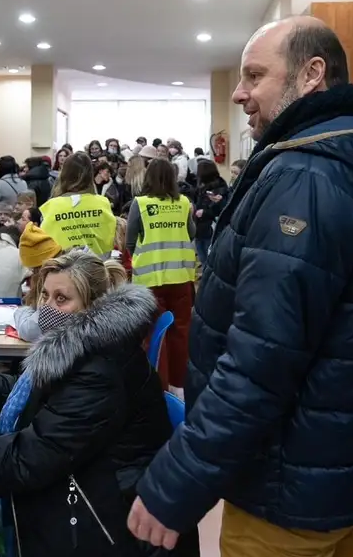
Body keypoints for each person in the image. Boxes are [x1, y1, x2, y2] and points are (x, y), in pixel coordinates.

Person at [129, 16, 353, 557]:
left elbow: (259, 362)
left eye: (255, 75)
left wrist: (177, 481)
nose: (239, 93)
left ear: (311, 74)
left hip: (290, 489)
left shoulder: (305, 178)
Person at [0, 252, 201, 557]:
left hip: (108, 541)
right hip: (94, 507)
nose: (47, 308)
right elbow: (33, 391)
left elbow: (26, 460)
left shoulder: (99, 372)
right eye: (45, 296)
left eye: (61, 299)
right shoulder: (90, 349)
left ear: (93, 306)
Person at [126, 159, 196, 389]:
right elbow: (191, 233)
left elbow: (129, 242)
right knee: (181, 332)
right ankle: (179, 387)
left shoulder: (140, 203)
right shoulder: (183, 203)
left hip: (150, 280)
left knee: (155, 334)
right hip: (181, 278)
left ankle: (158, 387)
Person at [41, 152, 117, 257]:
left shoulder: (50, 207)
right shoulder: (103, 204)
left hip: (62, 265)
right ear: (90, 175)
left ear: (64, 174)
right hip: (98, 265)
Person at [12, 224, 64, 342]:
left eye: (32, 270)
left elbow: (29, 330)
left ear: (40, 269)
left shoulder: (59, 282)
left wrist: (21, 311)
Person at [192, 159, 229, 264]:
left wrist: (205, 212)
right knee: (202, 255)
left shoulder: (218, 187)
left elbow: (220, 208)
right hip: (200, 226)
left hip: (209, 227)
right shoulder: (201, 186)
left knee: (209, 256)